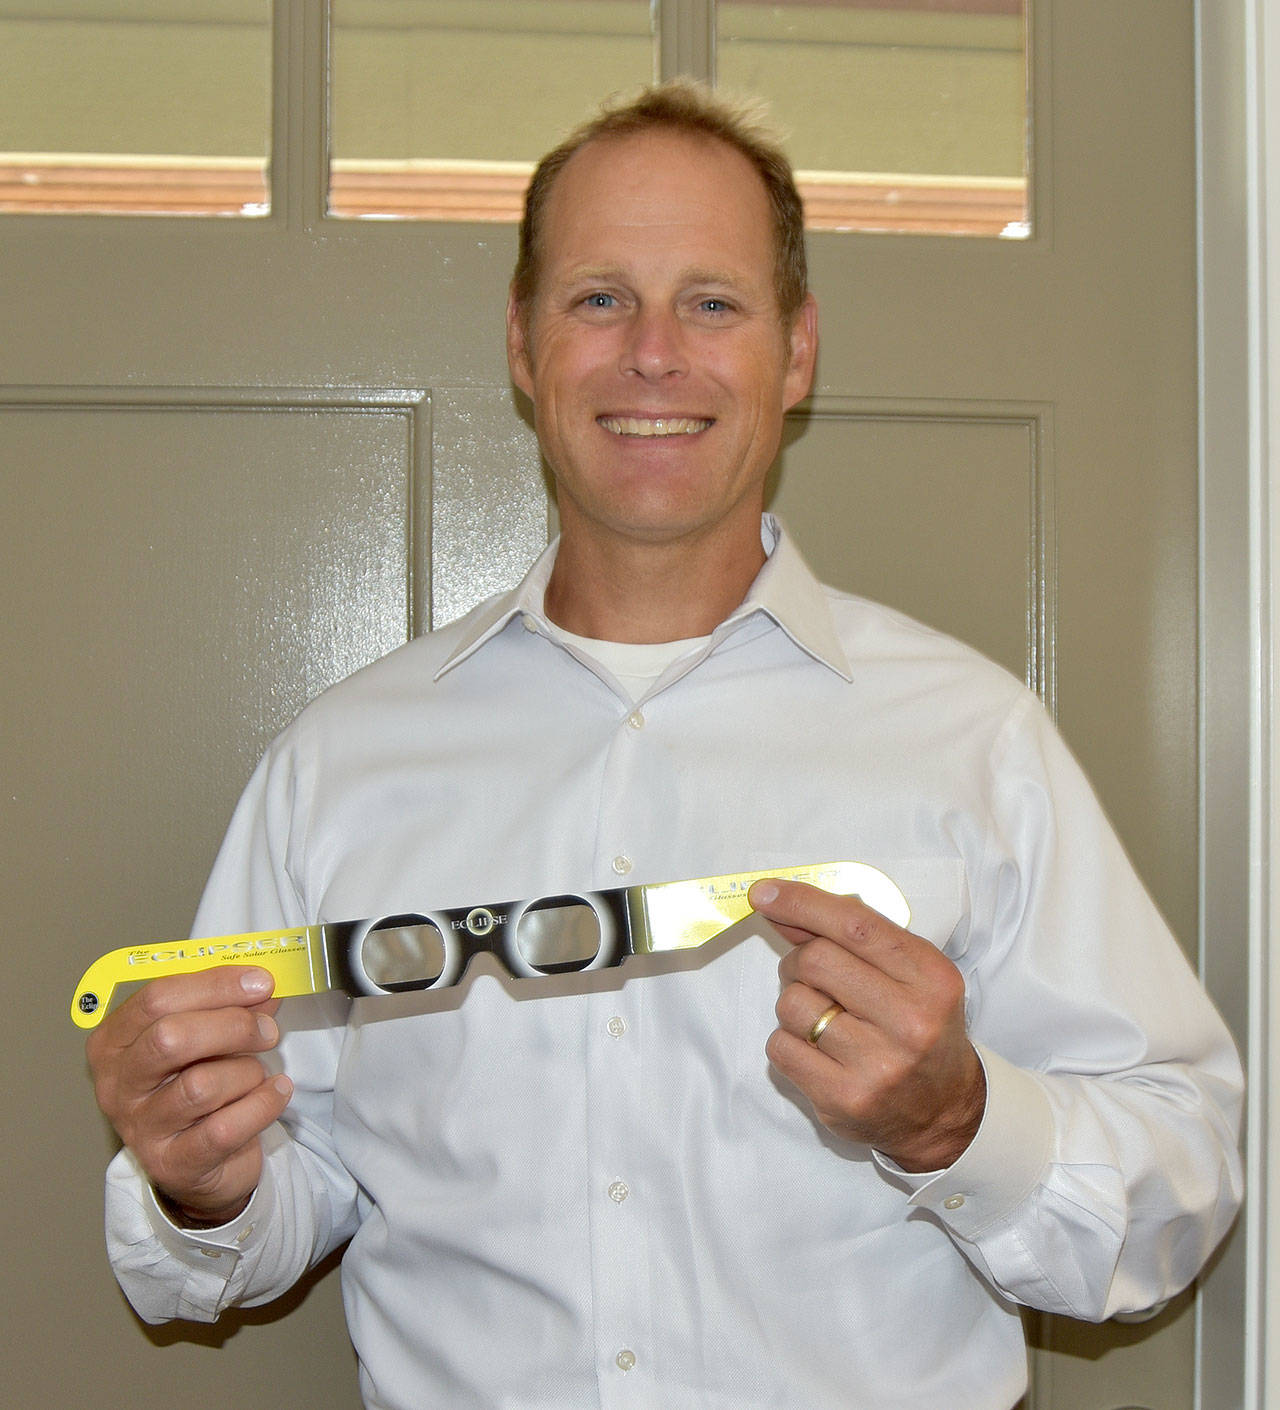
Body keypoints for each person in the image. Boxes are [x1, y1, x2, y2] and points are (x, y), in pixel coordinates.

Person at [88, 81, 1243, 1410]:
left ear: (796, 353)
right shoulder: (340, 765)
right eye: (597, 298)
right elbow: (296, 1179)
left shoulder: (974, 744)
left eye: (712, 301)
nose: (652, 353)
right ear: (522, 345)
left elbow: (1180, 1177)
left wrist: (958, 1120)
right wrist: (202, 1174)